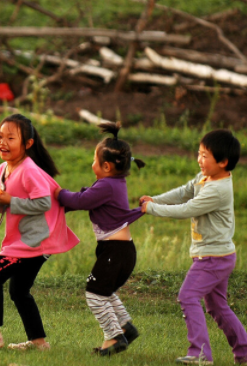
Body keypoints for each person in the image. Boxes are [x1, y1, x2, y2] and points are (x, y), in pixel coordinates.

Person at [140, 129, 247, 365]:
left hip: (213, 258)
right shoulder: (205, 178)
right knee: (217, 307)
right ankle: (246, 354)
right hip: (216, 255)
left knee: (188, 296)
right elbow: (185, 192)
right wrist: (156, 199)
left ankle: (200, 354)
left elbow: (187, 209)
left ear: (223, 162)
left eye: (205, 156)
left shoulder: (218, 190)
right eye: (199, 153)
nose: (199, 160)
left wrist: (151, 209)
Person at [0, 114, 80, 351]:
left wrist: (11, 200)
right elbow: (4, 203)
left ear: (27, 143)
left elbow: (44, 203)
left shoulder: (29, 170)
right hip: (28, 240)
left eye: (10, 137)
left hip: (35, 241)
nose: (2, 142)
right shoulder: (2, 168)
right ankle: (39, 343)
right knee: (19, 290)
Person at [55, 121, 145, 357]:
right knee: (103, 291)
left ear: (106, 166)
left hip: (115, 252)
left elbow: (79, 201)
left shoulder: (106, 185)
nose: (91, 164)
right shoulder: (114, 182)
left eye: (94, 160)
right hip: (119, 250)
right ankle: (125, 326)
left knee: (94, 294)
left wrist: (58, 193)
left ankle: (114, 337)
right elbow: (87, 197)